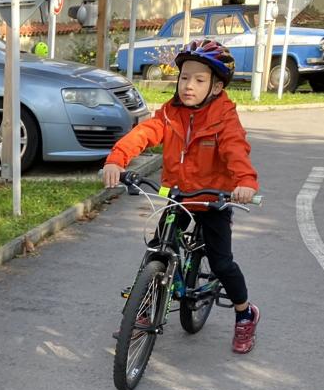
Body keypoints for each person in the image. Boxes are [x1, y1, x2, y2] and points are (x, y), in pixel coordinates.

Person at [102, 39, 262, 354]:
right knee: (157, 250)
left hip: (213, 199)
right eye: (184, 77)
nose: (189, 86)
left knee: (221, 263)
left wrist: (244, 181)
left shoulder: (224, 118)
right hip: (178, 196)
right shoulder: (170, 113)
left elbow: (236, 150)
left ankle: (245, 313)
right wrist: (116, 160)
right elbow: (144, 133)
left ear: (216, 87)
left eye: (199, 80)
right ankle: (143, 307)